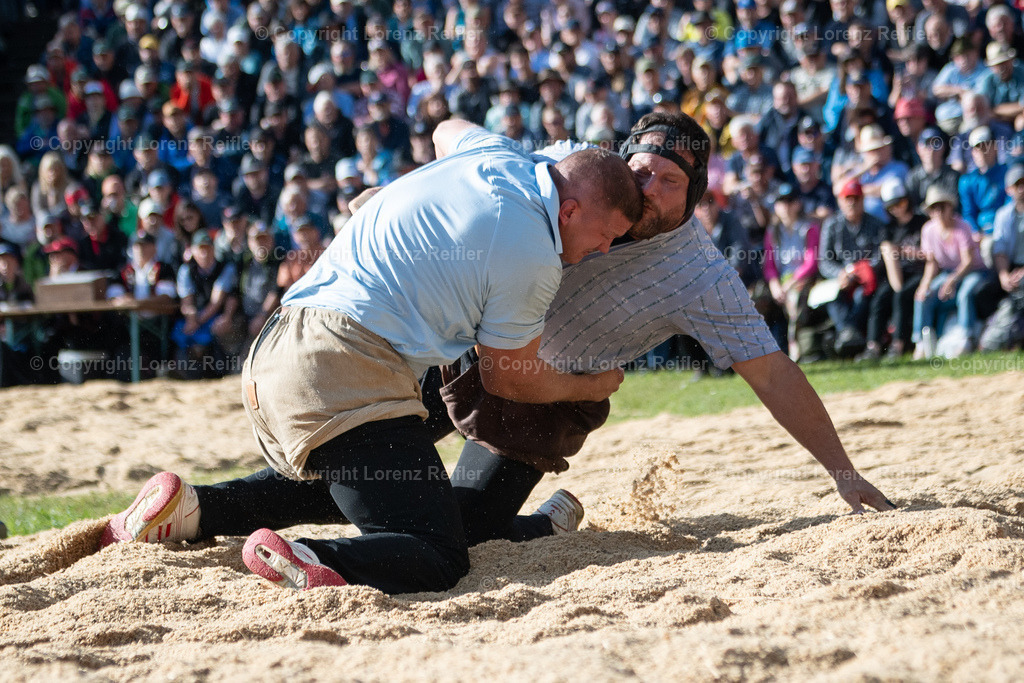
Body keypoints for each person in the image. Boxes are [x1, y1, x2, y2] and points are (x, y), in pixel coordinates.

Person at [100, 127, 644, 596]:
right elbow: (509, 378)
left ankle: (193, 511)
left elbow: (447, 127)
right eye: (605, 237)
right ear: (569, 211)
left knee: (374, 480)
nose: (599, 253)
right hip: (347, 365)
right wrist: (590, 384)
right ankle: (313, 558)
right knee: (437, 553)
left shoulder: (495, 154)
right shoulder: (533, 253)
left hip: (278, 352)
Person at [912, 186, 988, 358]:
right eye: (933, 208)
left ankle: (965, 338)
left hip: (974, 271)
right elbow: (932, 263)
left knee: (964, 294)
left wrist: (952, 280)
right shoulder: (928, 230)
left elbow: (968, 262)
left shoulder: (963, 227)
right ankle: (921, 342)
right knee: (923, 296)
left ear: (950, 207)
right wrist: (924, 286)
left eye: (941, 207)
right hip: (948, 273)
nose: (938, 211)